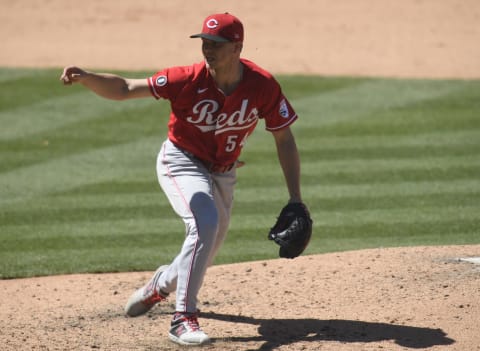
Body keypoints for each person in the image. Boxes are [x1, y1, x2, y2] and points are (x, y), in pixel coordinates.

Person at [60, 12, 305, 346]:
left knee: (208, 244)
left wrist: (296, 198)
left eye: (216, 44)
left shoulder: (262, 86)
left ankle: (160, 284)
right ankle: (182, 319)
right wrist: (87, 77)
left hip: (223, 171)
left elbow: (284, 138)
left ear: (237, 47)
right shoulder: (186, 78)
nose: (208, 49)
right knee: (203, 225)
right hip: (181, 161)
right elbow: (125, 88)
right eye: (204, 41)